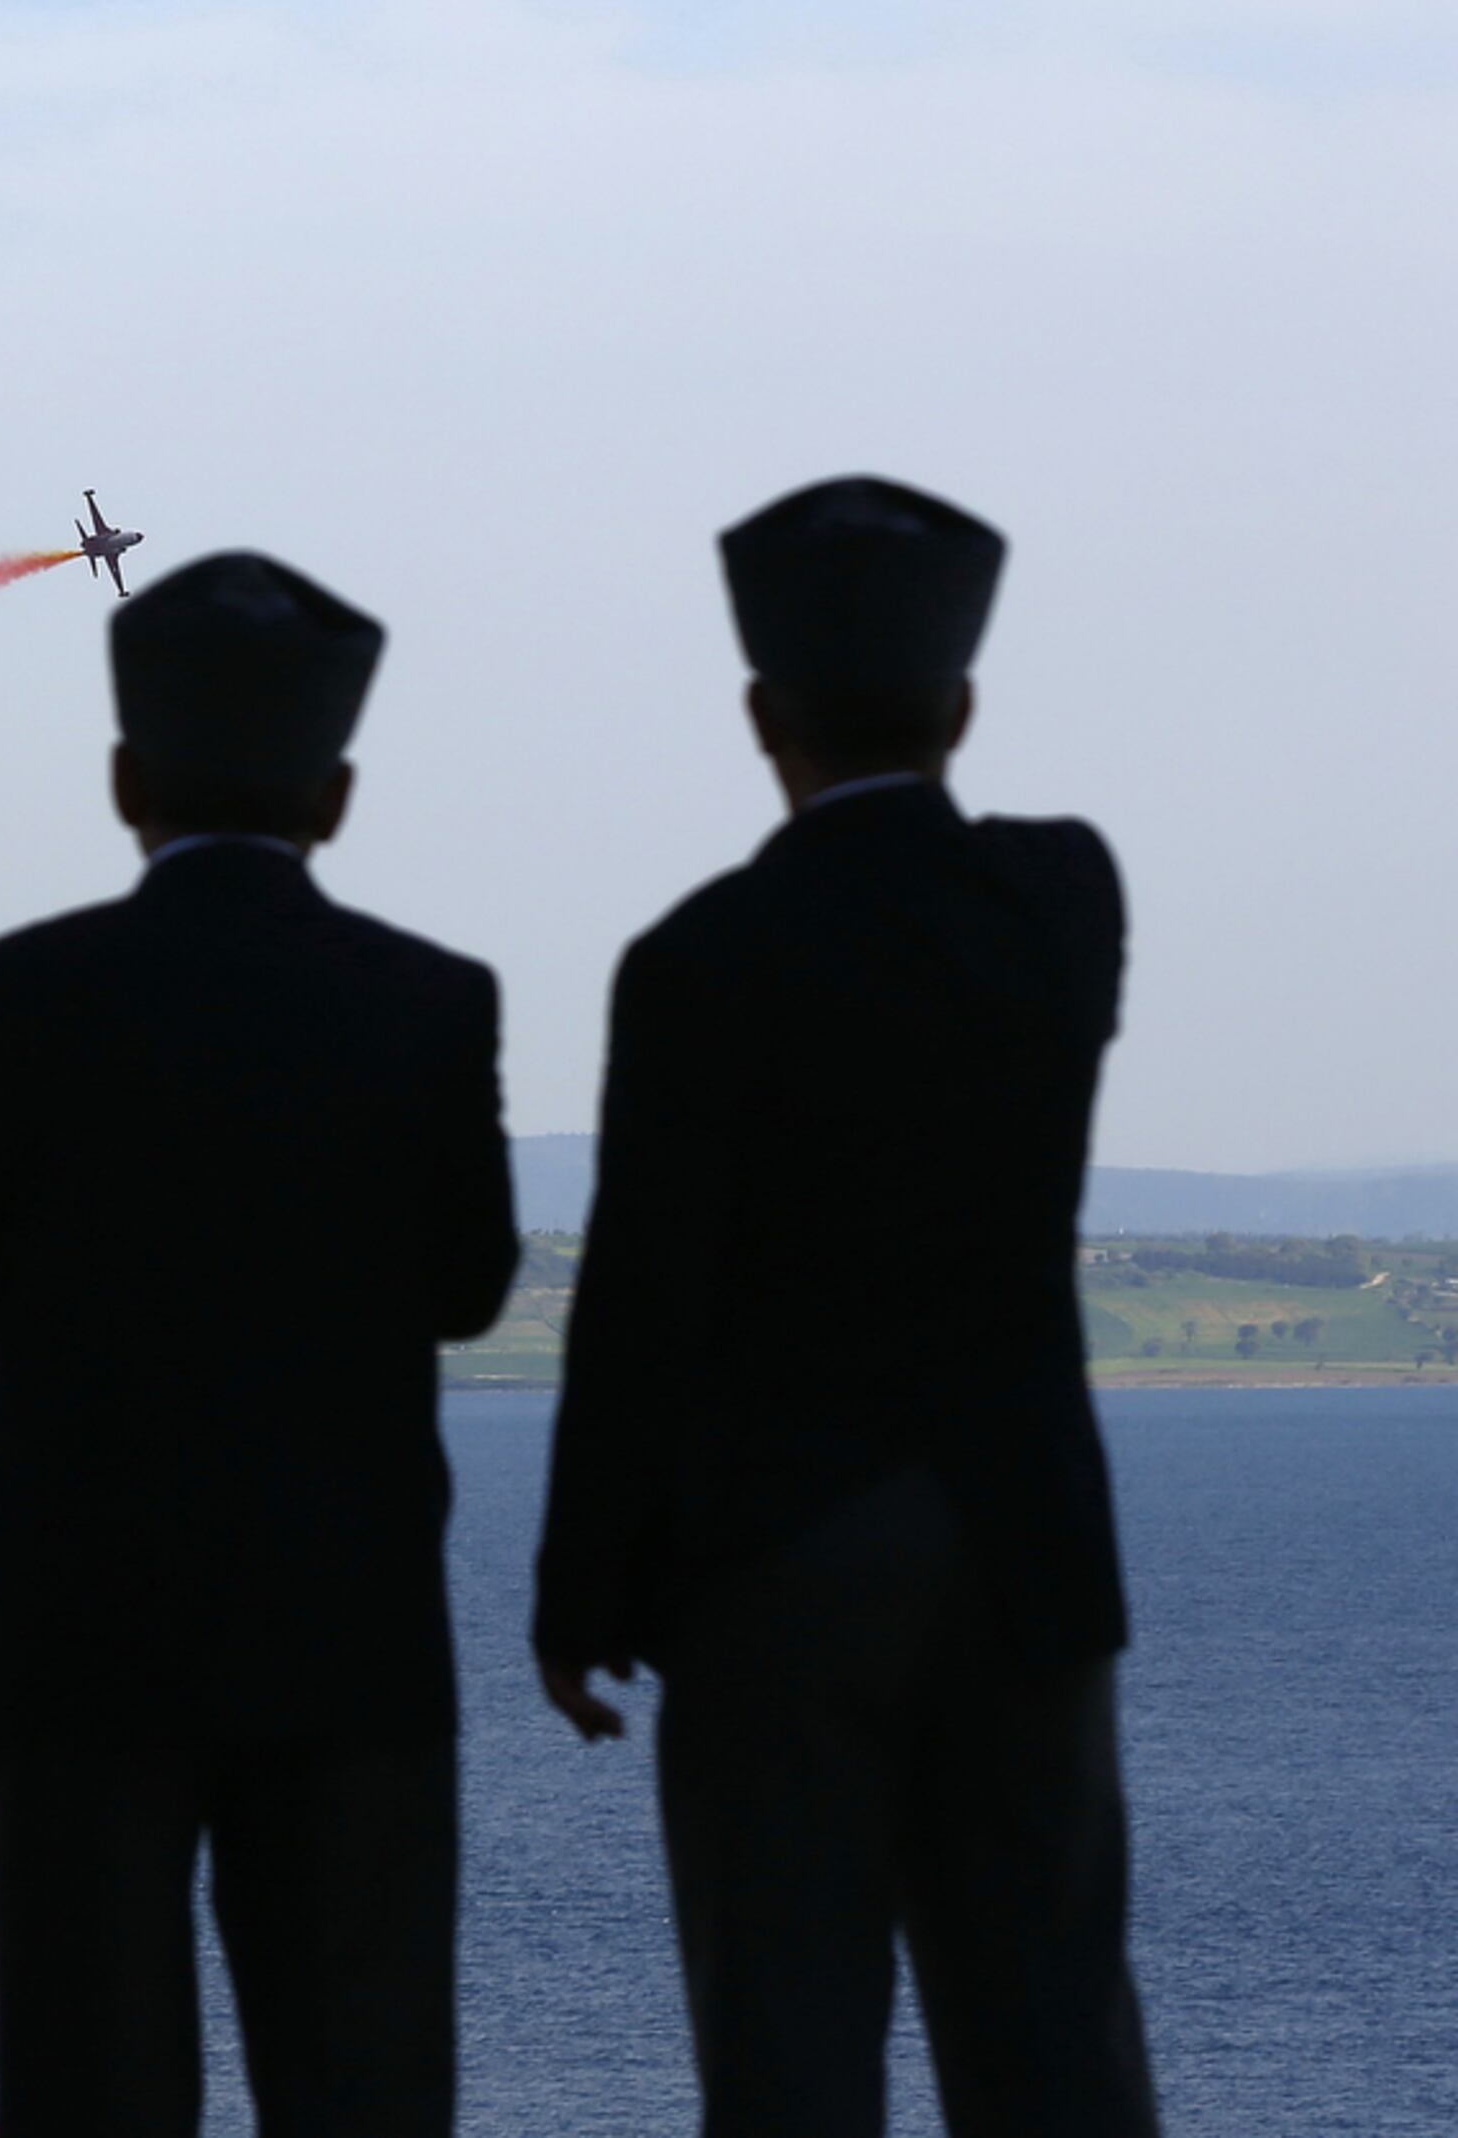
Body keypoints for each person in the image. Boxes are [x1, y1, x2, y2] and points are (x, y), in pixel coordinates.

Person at [534, 479, 1159, 2135]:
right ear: (962, 706)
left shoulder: (696, 959)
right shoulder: (1057, 898)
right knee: (1058, 2050)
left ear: (763, 717)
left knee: (788, 2059)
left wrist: (578, 1586)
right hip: (1021, 1536)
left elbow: (640, 1295)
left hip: (772, 1556)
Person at [0, 554, 519, 2138]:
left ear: (126, 780)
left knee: (87, 2079)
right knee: (362, 2080)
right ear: (337, 795)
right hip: (348, 1610)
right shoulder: (433, 1001)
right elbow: (467, 1286)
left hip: (74, 1616)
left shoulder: (14, 992)